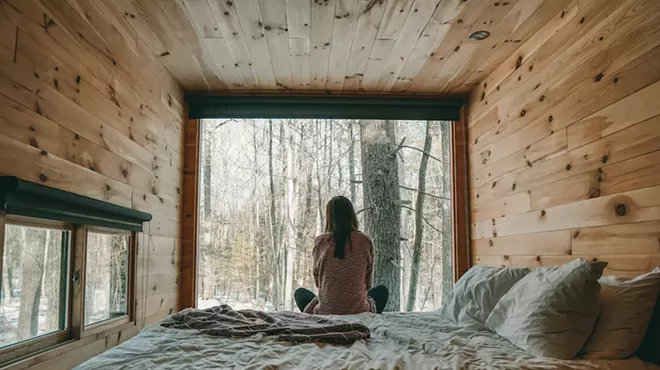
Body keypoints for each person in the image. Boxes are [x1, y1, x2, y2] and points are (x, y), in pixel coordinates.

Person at [294, 196, 389, 315]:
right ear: (352, 216)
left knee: (300, 294)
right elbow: (368, 283)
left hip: (326, 311)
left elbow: (319, 284)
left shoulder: (321, 242)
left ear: (330, 218)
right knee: (381, 291)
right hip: (359, 310)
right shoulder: (365, 241)